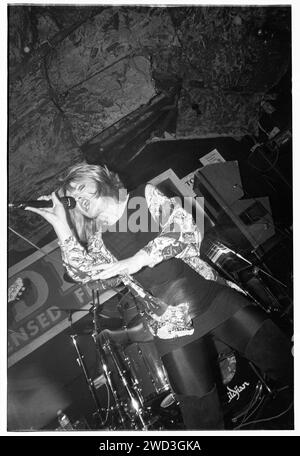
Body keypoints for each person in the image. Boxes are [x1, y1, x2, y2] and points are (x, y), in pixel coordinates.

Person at [25, 162, 293, 430]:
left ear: (98, 178)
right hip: (171, 326)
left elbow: (184, 227)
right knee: (202, 421)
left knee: (284, 363)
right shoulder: (98, 241)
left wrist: (138, 259)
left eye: (81, 187)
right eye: (74, 198)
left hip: (210, 295)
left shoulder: (143, 197)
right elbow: (83, 272)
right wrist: (61, 226)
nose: (79, 198)